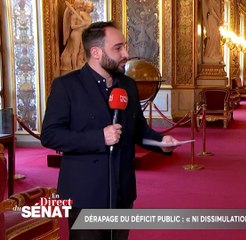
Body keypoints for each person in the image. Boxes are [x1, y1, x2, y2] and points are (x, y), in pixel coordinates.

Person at [41, 21, 179, 240]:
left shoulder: (128, 85)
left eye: (124, 46)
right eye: (118, 48)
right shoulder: (66, 86)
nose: (126, 53)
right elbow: (50, 135)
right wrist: (99, 138)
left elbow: (137, 129)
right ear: (95, 52)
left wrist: (160, 141)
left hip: (122, 190)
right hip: (86, 192)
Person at [60, 0, 93, 74]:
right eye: (87, 6)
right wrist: (82, 24)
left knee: (82, 50)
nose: (81, 6)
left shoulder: (82, 15)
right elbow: (73, 26)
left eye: (90, 7)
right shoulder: (78, 14)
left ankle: (80, 64)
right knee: (76, 51)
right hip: (76, 34)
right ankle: (75, 67)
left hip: (82, 34)